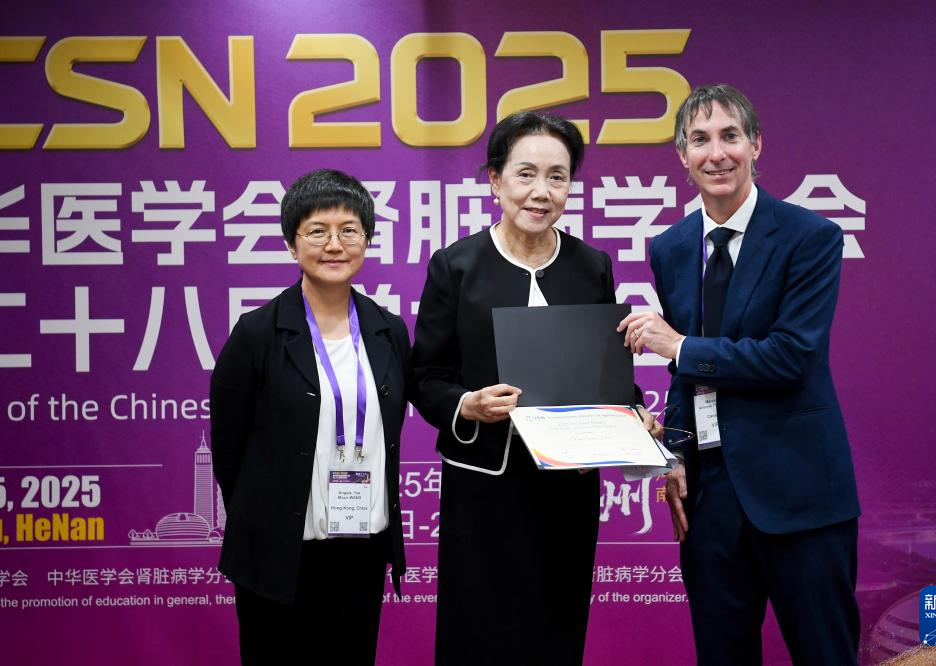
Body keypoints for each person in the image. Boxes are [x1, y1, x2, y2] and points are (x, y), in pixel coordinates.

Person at [618, 84, 861, 664]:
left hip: (799, 491)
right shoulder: (671, 248)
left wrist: (679, 346)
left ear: (756, 144)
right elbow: (686, 379)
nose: (716, 153)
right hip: (709, 497)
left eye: (730, 136)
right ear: (683, 155)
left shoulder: (810, 237)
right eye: (699, 140)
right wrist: (675, 456)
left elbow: (789, 357)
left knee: (825, 654)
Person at [411, 112, 661, 666]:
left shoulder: (591, 266)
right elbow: (425, 376)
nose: (541, 192)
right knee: (478, 631)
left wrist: (634, 415)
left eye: (557, 176)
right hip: (484, 484)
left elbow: (605, 371)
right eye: (525, 174)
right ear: (495, 180)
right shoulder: (456, 266)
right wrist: (467, 404)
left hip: (567, 487)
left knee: (556, 625)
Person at [210, 169, 410, 665]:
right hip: (278, 550)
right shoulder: (257, 333)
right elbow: (229, 449)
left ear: (367, 240)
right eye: (317, 231)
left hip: (361, 547)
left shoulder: (388, 331)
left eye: (349, 230)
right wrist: (269, 517)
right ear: (291, 244)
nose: (334, 245)